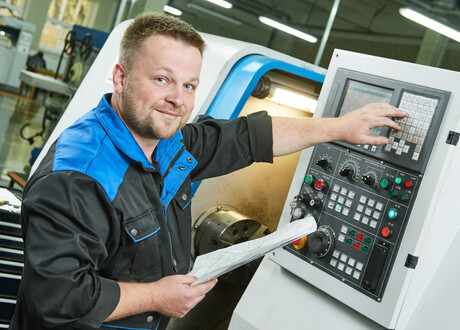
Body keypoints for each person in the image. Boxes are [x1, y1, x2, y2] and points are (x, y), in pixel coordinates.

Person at [9, 12, 406, 330]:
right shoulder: (79, 177)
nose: (176, 100)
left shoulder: (168, 143)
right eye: (162, 79)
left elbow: (249, 138)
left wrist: (339, 128)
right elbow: (56, 299)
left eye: (189, 86)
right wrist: (156, 297)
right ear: (120, 77)